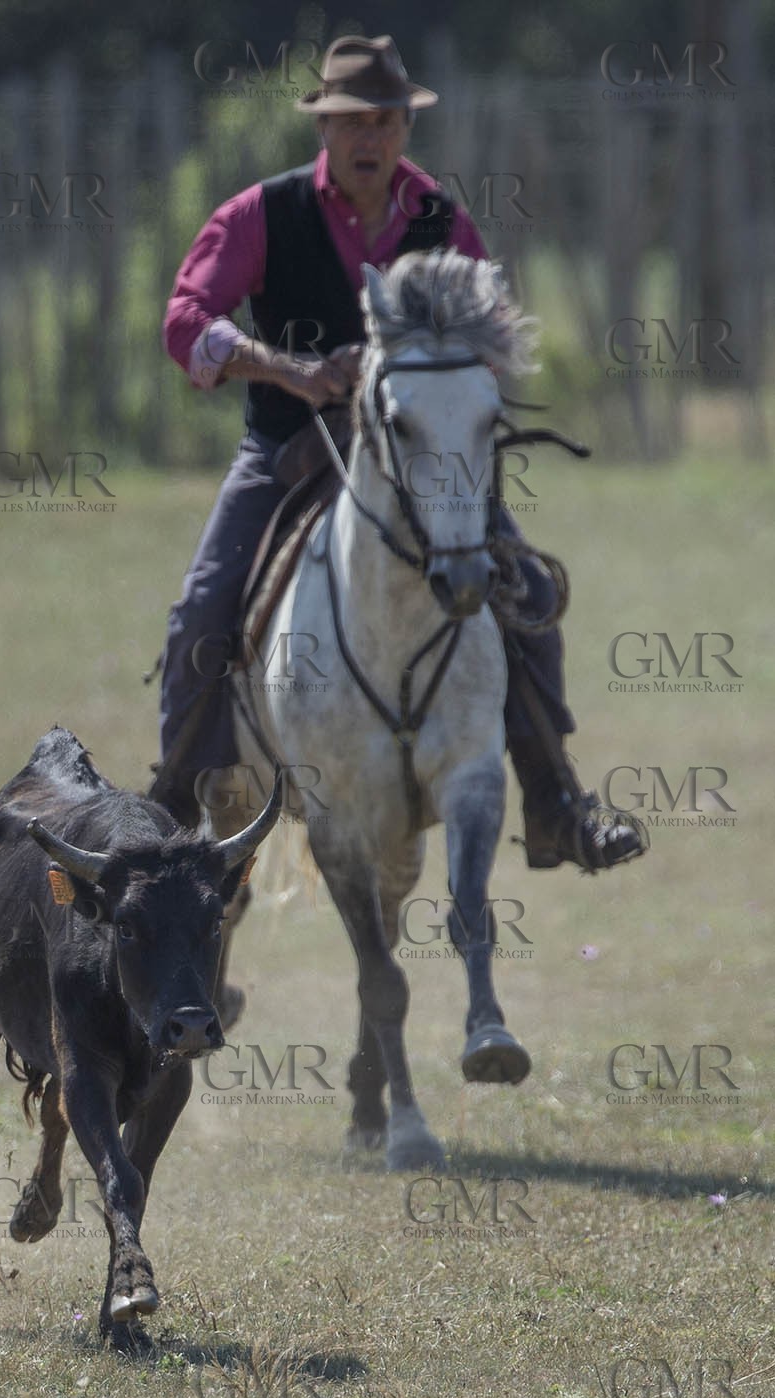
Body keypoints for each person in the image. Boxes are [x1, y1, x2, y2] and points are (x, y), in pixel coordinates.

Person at [152, 33, 646, 874]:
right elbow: (186, 320)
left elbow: (489, 341)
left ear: (404, 130)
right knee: (202, 611)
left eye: (385, 121)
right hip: (288, 448)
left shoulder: (443, 221)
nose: (369, 139)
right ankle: (168, 821)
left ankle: (556, 802)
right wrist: (291, 370)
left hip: (425, 463)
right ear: (324, 130)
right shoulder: (261, 213)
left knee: (525, 591)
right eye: (352, 123)